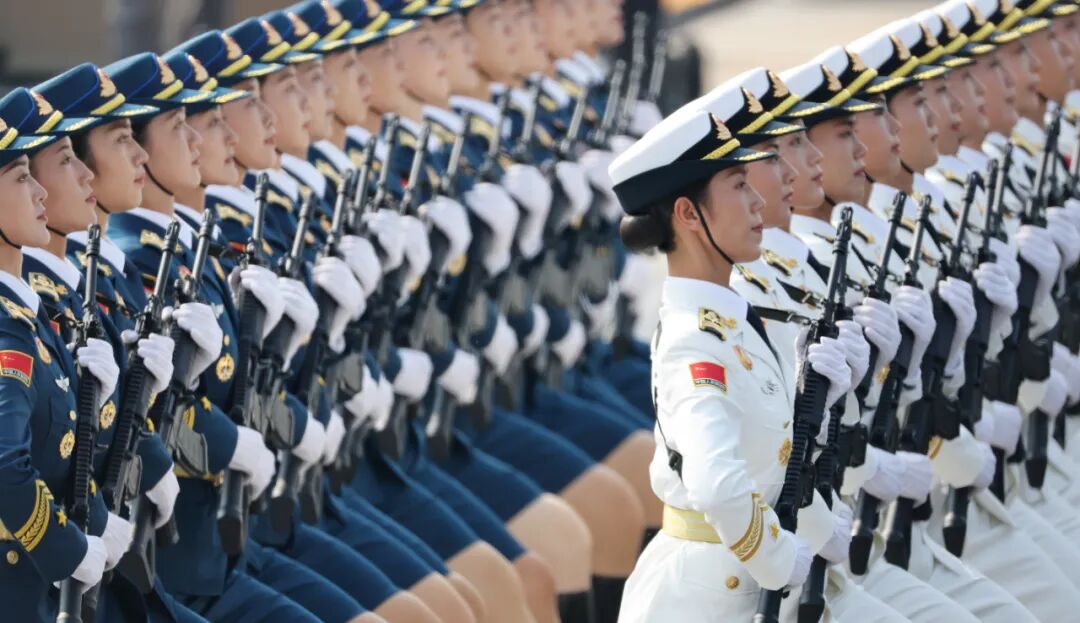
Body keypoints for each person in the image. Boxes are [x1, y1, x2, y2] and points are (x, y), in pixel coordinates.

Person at [608, 86, 856, 620]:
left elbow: (772, 461)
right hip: (705, 598)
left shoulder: (735, 321)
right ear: (688, 214)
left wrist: (817, 524)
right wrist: (779, 558)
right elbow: (717, 485)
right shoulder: (693, 339)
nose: (758, 201)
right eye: (740, 186)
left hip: (751, 587)